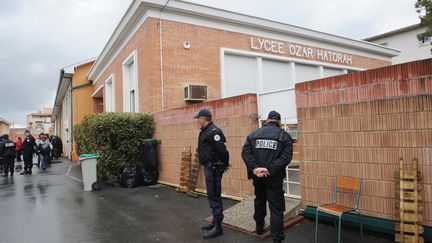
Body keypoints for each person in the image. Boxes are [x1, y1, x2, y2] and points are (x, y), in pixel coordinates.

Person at [241, 111, 293, 243]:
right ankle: (277, 238)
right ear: (279, 122)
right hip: (274, 177)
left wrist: (255, 168)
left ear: (267, 120)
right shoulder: (284, 136)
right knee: (276, 208)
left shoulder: (254, 134)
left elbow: (246, 153)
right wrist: (269, 169)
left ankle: (259, 227)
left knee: (259, 199)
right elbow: (285, 157)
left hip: (257, 176)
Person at [195, 108, 229, 239]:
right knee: (212, 195)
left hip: (214, 169)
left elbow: (223, 151)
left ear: (203, 119)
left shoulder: (214, 132)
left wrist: (223, 165)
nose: (197, 121)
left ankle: (218, 227)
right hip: (209, 168)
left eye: (198, 118)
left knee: (214, 196)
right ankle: (215, 221)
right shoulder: (206, 131)